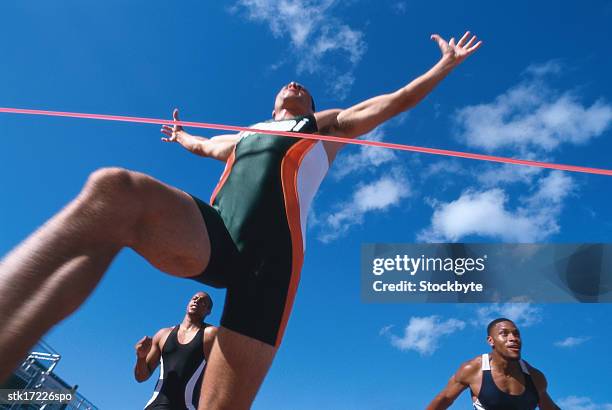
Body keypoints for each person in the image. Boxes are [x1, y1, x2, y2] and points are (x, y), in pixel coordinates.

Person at [0, 31, 481, 409]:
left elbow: (388, 103)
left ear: (309, 106)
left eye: (304, 89)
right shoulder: (245, 134)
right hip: (217, 234)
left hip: (271, 266)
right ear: (273, 102)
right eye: (289, 85)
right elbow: (206, 147)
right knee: (116, 190)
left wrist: (443, 66)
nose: (295, 85)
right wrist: (182, 135)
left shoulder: (322, 127)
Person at [426, 318, 560, 410]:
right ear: (491, 341)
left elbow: (549, 407)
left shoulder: (535, 377)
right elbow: (444, 399)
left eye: (516, 334)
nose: (513, 338)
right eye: (504, 334)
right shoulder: (473, 369)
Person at [135, 291, 217, 410]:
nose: (197, 301)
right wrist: (141, 357)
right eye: (195, 298)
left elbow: (220, 379)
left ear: (208, 311)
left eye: (203, 301)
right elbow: (141, 377)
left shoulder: (210, 335)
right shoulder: (163, 334)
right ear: (188, 302)